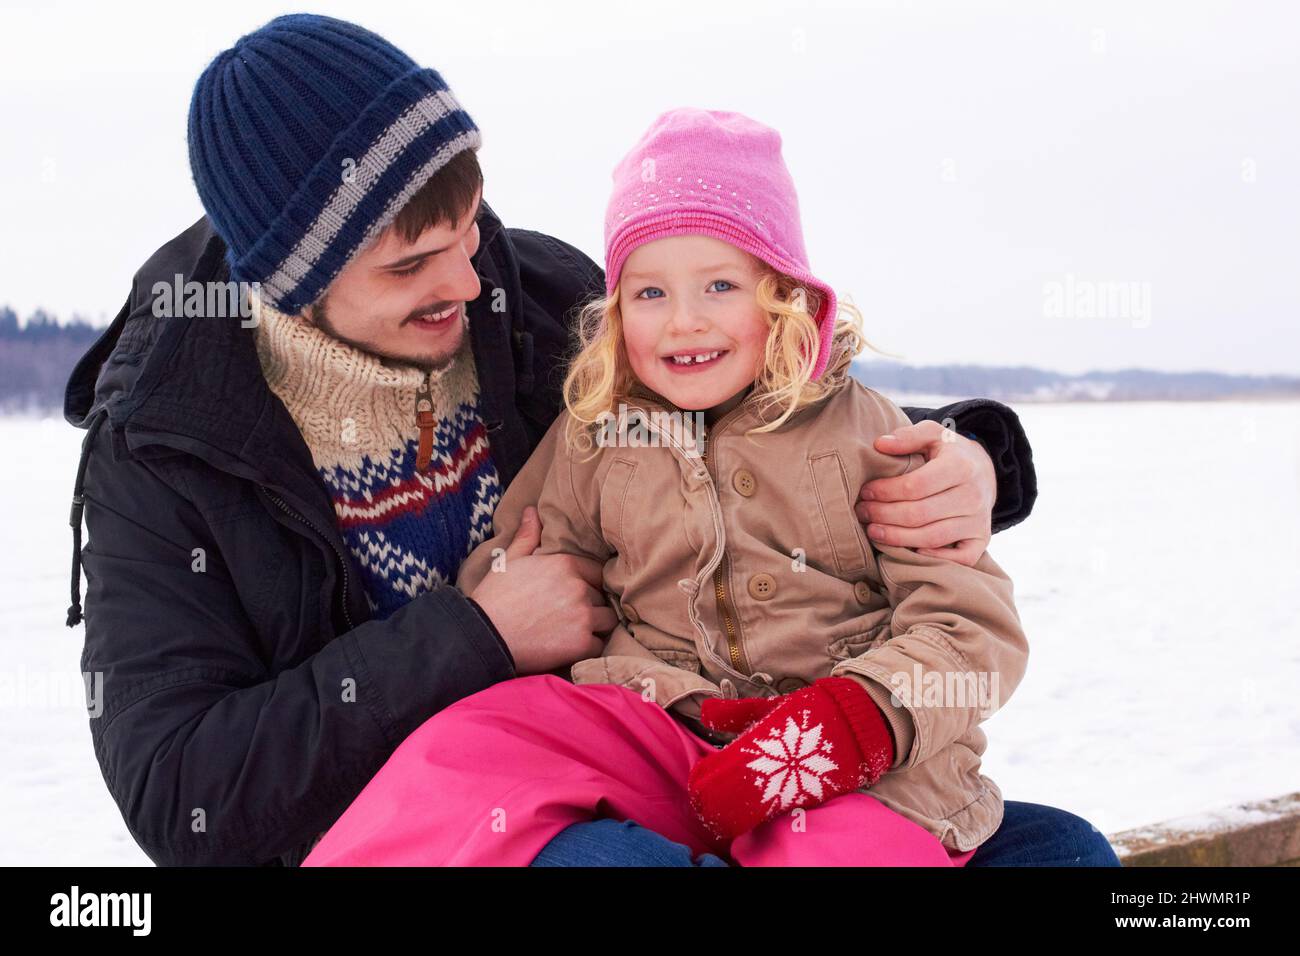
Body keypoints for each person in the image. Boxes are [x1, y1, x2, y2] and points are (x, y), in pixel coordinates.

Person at [64, 15, 1040, 867]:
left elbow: (762, 399)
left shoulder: (529, 293)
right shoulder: (164, 446)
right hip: (449, 819)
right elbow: (182, 799)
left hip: (699, 758)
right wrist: (475, 635)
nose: (463, 275)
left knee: (1056, 849)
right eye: (414, 264)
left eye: (465, 226)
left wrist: (971, 453)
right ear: (291, 283)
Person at [300, 109, 1116, 867]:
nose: (683, 321)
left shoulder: (874, 435)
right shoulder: (598, 429)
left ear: (785, 298)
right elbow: (530, 546)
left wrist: (854, 719)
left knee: (843, 852)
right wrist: (499, 590)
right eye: (651, 293)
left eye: (719, 286)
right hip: (665, 725)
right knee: (476, 741)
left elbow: (970, 629)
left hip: (850, 760)